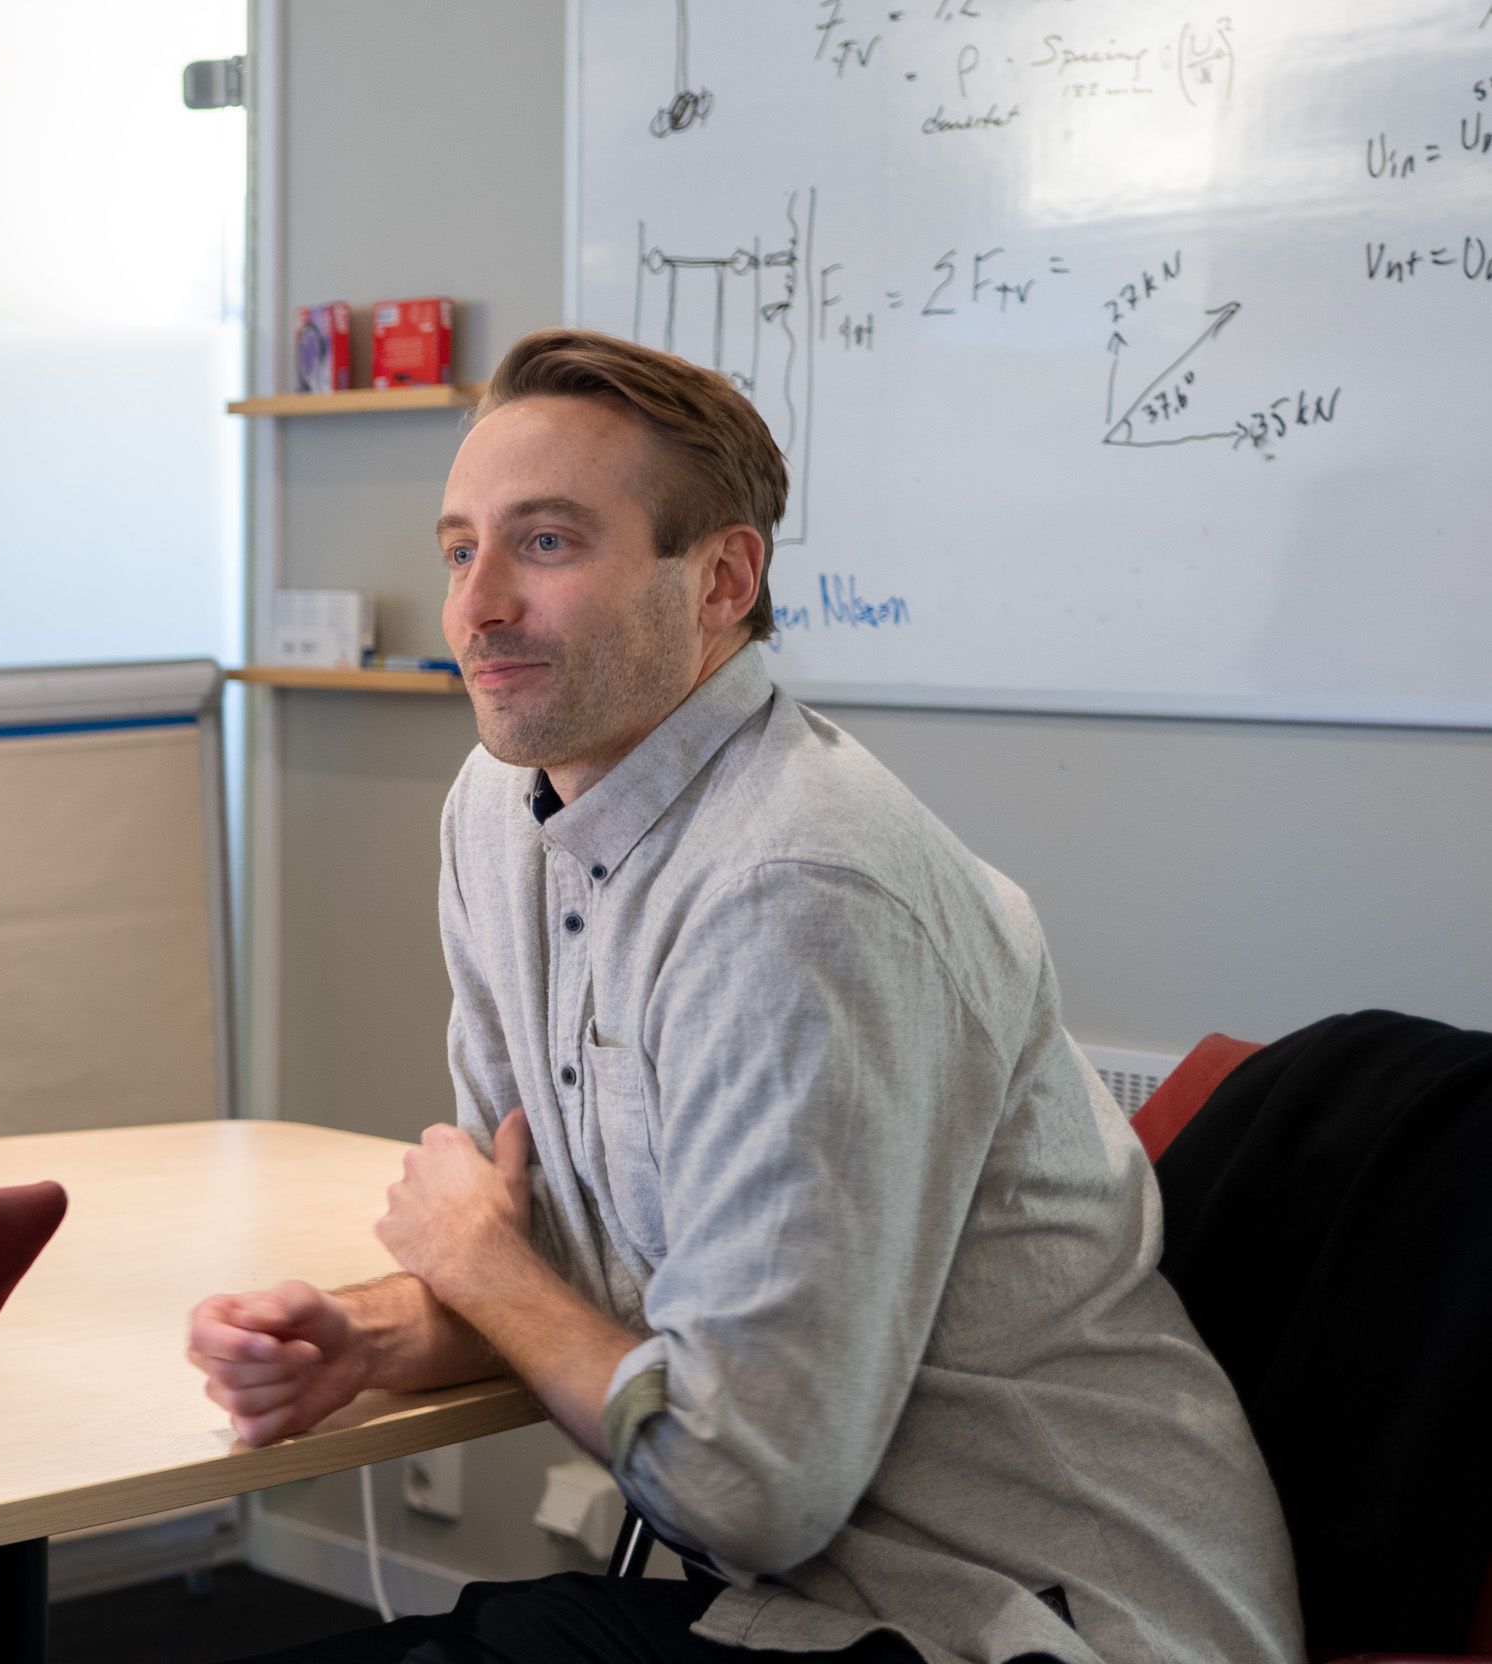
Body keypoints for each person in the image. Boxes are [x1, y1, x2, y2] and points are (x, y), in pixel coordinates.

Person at [188, 330, 1302, 1664]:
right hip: (803, 1603)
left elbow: (742, 1485)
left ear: (721, 579)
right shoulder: (497, 817)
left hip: (1038, 1623)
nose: (475, 604)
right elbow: (560, 1271)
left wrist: (474, 1262)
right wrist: (364, 1337)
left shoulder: (801, 888)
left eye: (544, 544)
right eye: (457, 547)